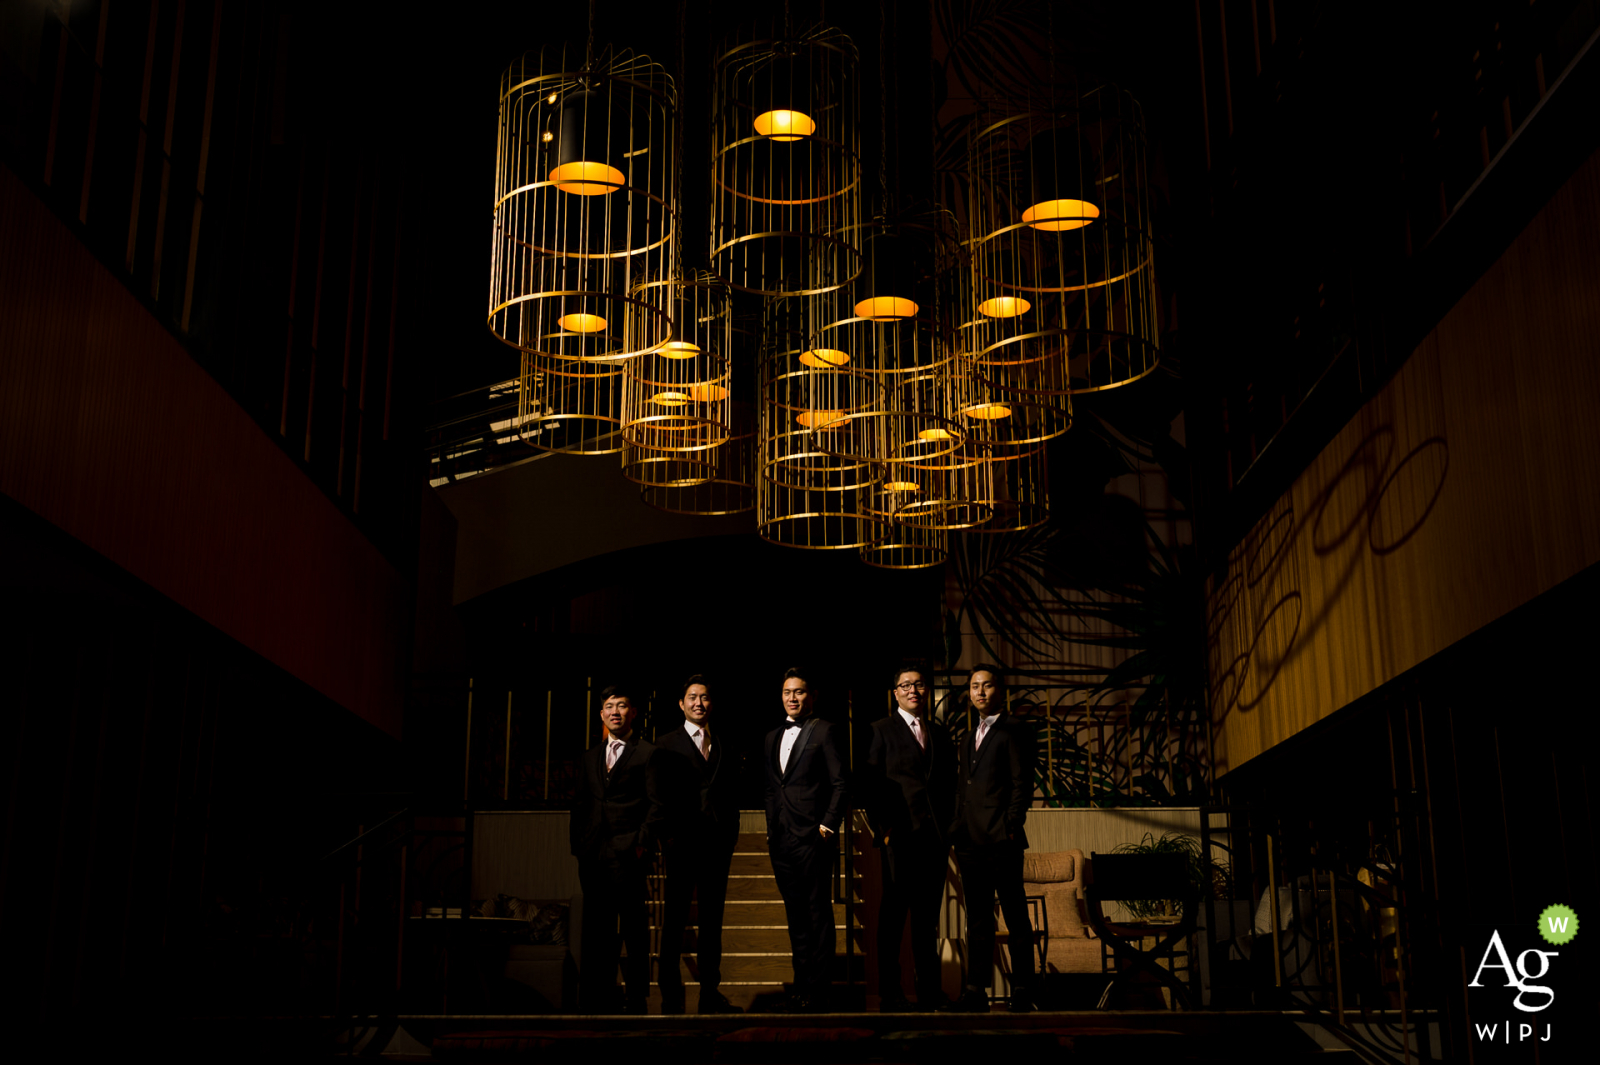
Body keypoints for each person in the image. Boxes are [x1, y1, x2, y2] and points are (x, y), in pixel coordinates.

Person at [863, 661, 957, 1011]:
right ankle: (891, 993)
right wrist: (884, 830)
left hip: (933, 841)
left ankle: (930, 993)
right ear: (895, 692)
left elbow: (948, 785)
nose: (912, 690)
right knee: (892, 920)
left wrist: (948, 830)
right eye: (905, 685)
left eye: (918, 684)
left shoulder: (940, 732)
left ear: (926, 690)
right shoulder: (880, 730)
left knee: (926, 922)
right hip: (898, 840)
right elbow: (870, 785)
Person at [569, 684, 664, 1013]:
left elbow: (656, 806)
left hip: (629, 855)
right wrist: (579, 848)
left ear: (632, 712)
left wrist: (640, 844)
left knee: (635, 931)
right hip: (593, 856)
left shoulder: (647, 753)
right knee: (598, 932)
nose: (615, 711)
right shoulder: (589, 756)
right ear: (601, 714)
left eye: (621, 705)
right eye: (609, 706)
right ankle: (600, 997)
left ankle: (637, 998)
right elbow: (580, 804)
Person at [949, 664, 1038, 1013]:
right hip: (970, 840)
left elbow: (1022, 784)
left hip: (1002, 838)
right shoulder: (967, 737)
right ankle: (975, 991)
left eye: (986, 686)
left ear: (999, 690)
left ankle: (1023, 989)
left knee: (1015, 916)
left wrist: (1012, 825)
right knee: (978, 919)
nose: (980, 692)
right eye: (974, 686)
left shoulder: (1015, 729)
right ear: (968, 692)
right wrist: (957, 828)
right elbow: (963, 788)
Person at [654, 674, 743, 1014]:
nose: (699, 703)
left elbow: (731, 793)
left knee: (712, 921)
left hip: (717, 846)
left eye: (704, 697)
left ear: (711, 703)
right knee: (674, 920)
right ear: (681, 703)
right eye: (692, 697)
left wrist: (731, 835)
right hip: (681, 845)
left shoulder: (723, 743)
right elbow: (658, 795)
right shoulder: (665, 743)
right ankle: (670, 993)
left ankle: (710, 992)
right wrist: (669, 838)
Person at [762, 667, 849, 1012]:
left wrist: (827, 826)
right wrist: (771, 828)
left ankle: (820, 987)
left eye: (799, 692)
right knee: (795, 916)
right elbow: (771, 788)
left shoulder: (825, 731)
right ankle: (801, 984)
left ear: (811, 696)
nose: (792, 698)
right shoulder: (771, 736)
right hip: (782, 840)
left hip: (813, 838)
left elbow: (842, 782)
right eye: (787, 692)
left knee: (817, 914)